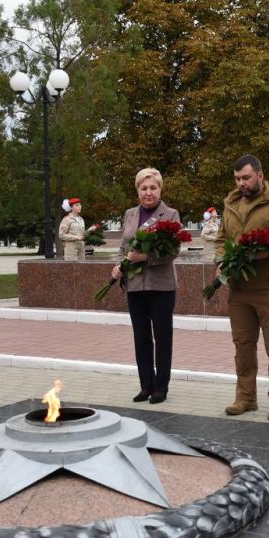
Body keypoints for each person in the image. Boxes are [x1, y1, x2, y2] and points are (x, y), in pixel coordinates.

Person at [216, 154, 269, 421]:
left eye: (246, 177)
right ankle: (245, 397)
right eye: (237, 179)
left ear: (260, 176)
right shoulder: (230, 204)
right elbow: (221, 239)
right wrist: (221, 260)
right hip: (240, 289)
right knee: (243, 345)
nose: (241, 183)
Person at [111, 168, 181, 405]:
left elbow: (173, 250)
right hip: (135, 287)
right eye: (144, 188)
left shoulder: (170, 215)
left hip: (161, 287)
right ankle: (145, 386)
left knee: (162, 338)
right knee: (141, 337)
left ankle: (161, 387)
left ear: (160, 190)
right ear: (137, 190)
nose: (148, 192)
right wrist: (118, 265)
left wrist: (147, 258)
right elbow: (124, 247)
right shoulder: (130, 214)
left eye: (153, 188)